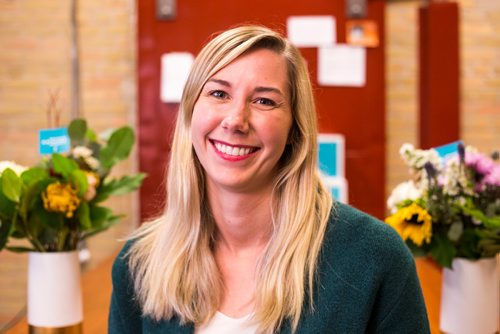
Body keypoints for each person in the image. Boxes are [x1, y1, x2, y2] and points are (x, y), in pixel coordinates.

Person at [108, 25, 430, 334]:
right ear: (191, 114)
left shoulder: (375, 258)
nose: (235, 120)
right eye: (219, 93)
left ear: (294, 130)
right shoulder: (139, 264)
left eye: (264, 100)